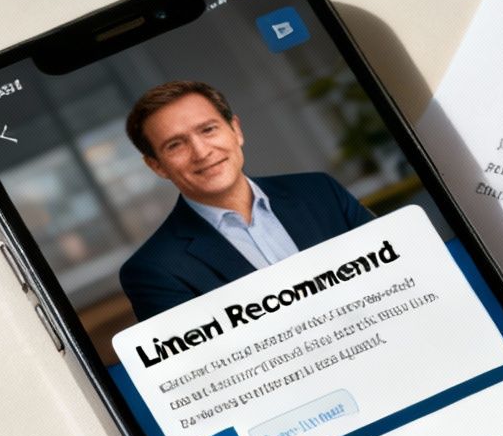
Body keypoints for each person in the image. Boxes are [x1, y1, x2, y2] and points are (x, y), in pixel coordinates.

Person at [117, 80, 374, 321]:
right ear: (157, 166)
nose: (202, 152)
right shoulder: (153, 270)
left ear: (235, 130)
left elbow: (396, 268)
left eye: (208, 129)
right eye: (175, 145)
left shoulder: (319, 190)